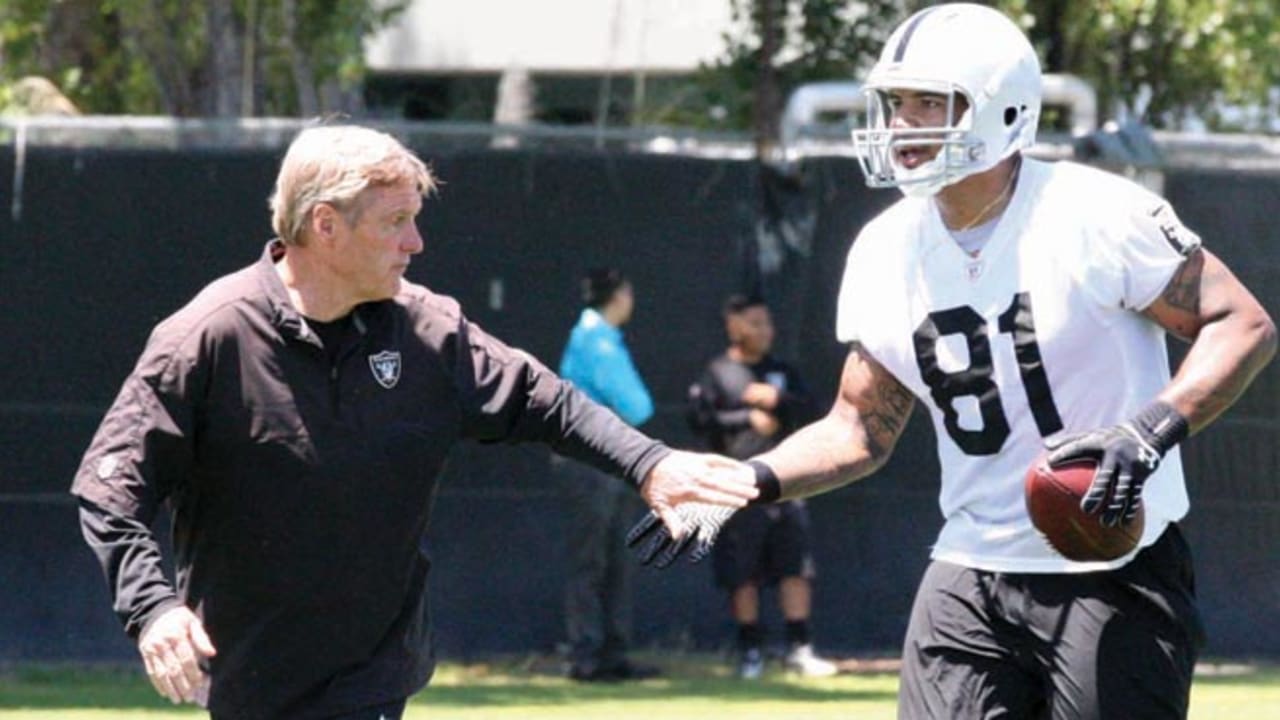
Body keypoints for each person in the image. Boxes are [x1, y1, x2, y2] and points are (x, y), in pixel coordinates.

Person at [629, 4, 1277, 719]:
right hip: (969, 569)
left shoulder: (1094, 213)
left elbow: (1241, 322)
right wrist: (750, 480)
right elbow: (858, 430)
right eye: (895, 103)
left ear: (1004, 110)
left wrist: (1148, 431)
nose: (903, 124)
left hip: (1110, 560)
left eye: (930, 103)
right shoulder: (886, 248)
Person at [69, 124, 759, 720]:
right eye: (394, 221)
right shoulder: (208, 336)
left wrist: (653, 465)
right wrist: (153, 608)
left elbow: (547, 401)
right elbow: (109, 489)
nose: (417, 243)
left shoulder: (428, 329)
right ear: (325, 226)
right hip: (249, 679)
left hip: (374, 677)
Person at [686, 294, 835, 679]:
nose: (764, 332)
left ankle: (799, 647)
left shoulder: (781, 371)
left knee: (795, 568)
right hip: (737, 491)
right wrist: (746, 418)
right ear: (734, 326)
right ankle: (750, 650)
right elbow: (701, 420)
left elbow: (816, 412)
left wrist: (778, 400)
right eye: (755, 324)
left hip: (788, 487)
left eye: (767, 324)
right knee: (742, 573)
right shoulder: (718, 372)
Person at [553, 268, 661, 682]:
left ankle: (612, 654)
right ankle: (586, 655)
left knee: (615, 558)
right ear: (618, 295)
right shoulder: (594, 339)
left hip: (611, 464)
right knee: (592, 560)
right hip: (588, 465)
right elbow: (636, 405)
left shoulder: (598, 337)